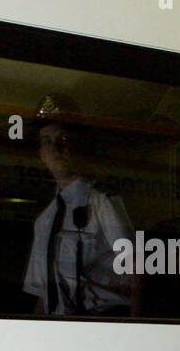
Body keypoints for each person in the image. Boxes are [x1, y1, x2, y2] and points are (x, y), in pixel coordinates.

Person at [23, 95, 141, 316]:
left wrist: (137, 330)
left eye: (63, 139)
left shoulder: (103, 202)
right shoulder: (45, 220)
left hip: (104, 323)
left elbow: (137, 271)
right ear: (41, 154)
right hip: (61, 329)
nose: (55, 148)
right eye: (47, 141)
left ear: (78, 146)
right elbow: (44, 294)